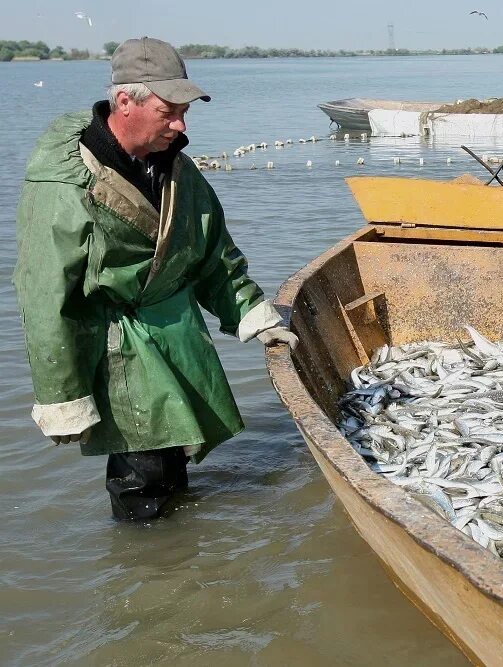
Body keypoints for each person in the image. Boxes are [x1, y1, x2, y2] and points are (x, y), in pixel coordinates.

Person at [13, 37, 298, 521]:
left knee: (172, 462)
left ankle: (180, 563)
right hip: (119, 346)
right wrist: (62, 394)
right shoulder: (65, 185)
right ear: (125, 102)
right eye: (169, 111)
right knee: (140, 478)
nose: (180, 125)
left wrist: (253, 313)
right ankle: (145, 577)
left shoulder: (176, 170)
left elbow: (212, 254)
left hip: (177, 333)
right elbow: (45, 295)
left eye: (185, 111)